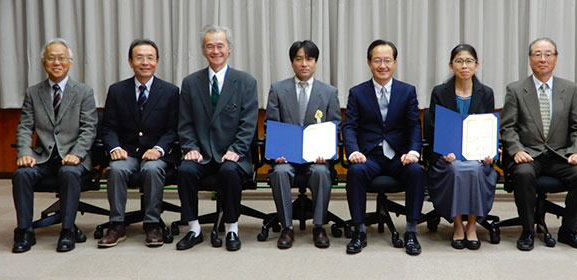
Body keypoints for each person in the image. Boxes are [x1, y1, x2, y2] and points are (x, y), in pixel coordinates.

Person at [499, 37, 577, 251]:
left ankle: (569, 230)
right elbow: (508, 127)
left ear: (556, 59)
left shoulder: (569, 89)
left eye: (548, 54)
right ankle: (527, 231)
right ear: (530, 59)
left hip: (560, 155)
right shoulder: (516, 89)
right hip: (529, 155)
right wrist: (516, 150)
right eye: (537, 54)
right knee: (522, 174)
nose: (543, 59)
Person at [175, 25, 258, 251]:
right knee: (185, 171)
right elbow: (185, 123)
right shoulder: (191, 83)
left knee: (230, 171)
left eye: (220, 45)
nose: (215, 51)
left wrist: (237, 149)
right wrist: (190, 147)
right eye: (210, 46)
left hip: (233, 153)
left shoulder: (245, 82)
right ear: (203, 50)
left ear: (229, 49)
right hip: (200, 153)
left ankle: (232, 228)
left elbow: (249, 123)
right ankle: (193, 228)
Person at [12, 38, 98, 253]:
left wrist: (77, 154)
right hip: (43, 156)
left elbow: (89, 129)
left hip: (73, 157)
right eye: (51, 58)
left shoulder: (83, 91)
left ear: (70, 62)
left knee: (69, 173)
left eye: (61, 58)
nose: (56, 63)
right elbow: (24, 127)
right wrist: (24, 152)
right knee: (22, 174)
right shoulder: (34, 92)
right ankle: (24, 230)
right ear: (44, 63)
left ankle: (67, 230)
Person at [343, 39, 425, 255]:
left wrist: (414, 151)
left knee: (416, 171)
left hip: (399, 156)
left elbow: (414, 125)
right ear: (369, 63)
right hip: (369, 156)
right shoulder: (357, 92)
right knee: (355, 172)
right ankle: (359, 231)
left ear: (395, 62)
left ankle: (410, 231)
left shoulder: (407, 91)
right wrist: (353, 151)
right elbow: (349, 126)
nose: (382, 65)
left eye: (387, 60)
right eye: (377, 60)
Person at [98, 39, 179, 248]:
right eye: (139, 58)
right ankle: (117, 224)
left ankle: (152, 224)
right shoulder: (117, 90)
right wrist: (115, 148)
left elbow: (173, 129)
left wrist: (159, 149)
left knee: (152, 169)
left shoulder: (170, 91)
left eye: (150, 58)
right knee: (116, 169)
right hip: (127, 152)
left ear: (157, 62)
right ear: (130, 61)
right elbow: (108, 127)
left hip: (157, 154)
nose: (145, 62)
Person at [266, 40, 341, 249]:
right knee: (280, 172)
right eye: (299, 59)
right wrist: (277, 152)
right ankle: (287, 227)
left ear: (316, 62)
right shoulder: (278, 89)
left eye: (309, 59)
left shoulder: (328, 92)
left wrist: (326, 152)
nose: (304, 64)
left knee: (320, 172)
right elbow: (271, 125)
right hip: (286, 157)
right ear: (292, 63)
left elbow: (335, 127)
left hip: (316, 157)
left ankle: (319, 226)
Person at [424, 44, 497, 250]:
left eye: (469, 61)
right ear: (451, 65)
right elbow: (433, 129)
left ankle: (472, 225)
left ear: (476, 65)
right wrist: (444, 151)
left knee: (474, 169)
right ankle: (457, 224)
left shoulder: (486, 93)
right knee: (456, 169)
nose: (464, 66)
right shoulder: (440, 92)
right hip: (447, 155)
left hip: (476, 155)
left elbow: (489, 126)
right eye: (459, 61)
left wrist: (489, 151)